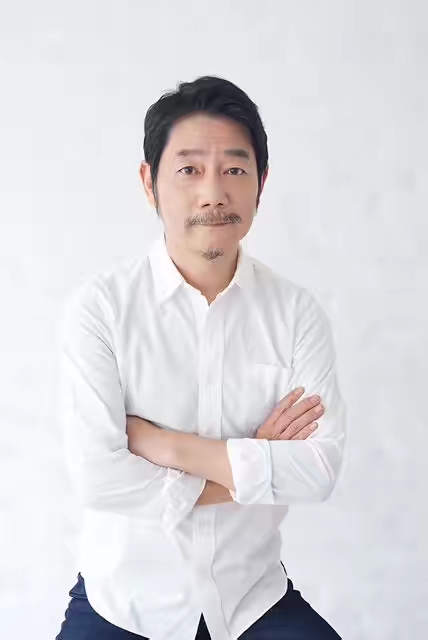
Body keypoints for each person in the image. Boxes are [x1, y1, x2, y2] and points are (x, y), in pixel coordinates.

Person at [55, 76, 346, 640]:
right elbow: (98, 477)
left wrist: (164, 446)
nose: (213, 192)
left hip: (251, 598)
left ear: (261, 183)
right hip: (124, 604)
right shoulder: (101, 309)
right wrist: (256, 464)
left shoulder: (296, 313)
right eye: (189, 169)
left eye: (234, 169)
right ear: (149, 182)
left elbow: (317, 471)